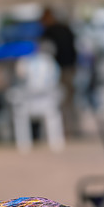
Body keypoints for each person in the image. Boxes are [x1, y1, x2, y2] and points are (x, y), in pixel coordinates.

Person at [40, 7, 80, 137]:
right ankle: (72, 128)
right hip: (69, 67)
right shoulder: (64, 28)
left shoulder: (50, 31)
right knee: (69, 99)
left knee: (64, 99)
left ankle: (68, 129)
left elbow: (46, 51)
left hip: (62, 69)